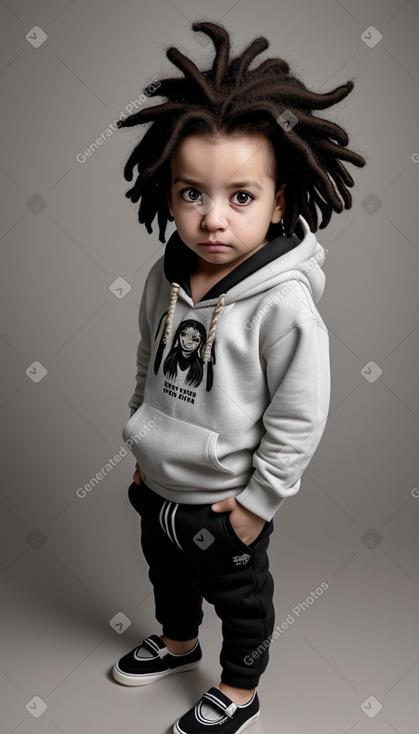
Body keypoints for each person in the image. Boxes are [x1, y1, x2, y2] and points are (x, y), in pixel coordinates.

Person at [111, 20, 366, 734]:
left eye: (241, 197)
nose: (212, 218)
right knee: (168, 580)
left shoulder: (284, 305)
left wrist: (260, 502)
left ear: (280, 202)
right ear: (167, 194)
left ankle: (239, 690)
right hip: (157, 483)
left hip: (225, 500)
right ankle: (177, 642)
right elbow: (147, 363)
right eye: (192, 194)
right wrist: (138, 441)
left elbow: (299, 413)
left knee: (240, 598)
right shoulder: (162, 280)